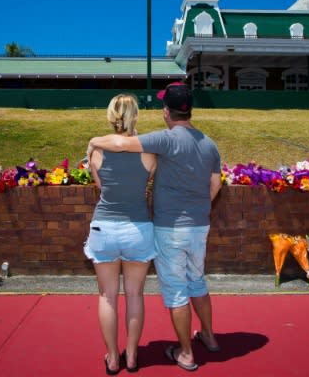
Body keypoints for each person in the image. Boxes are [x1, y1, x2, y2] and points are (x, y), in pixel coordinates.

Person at [87, 82, 222, 372]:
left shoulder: (160, 141)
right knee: (194, 282)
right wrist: (197, 207)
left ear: (166, 111)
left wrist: (94, 141)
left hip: (150, 227)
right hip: (191, 226)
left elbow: (117, 153)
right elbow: (215, 185)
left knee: (126, 295)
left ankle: (131, 357)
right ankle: (203, 338)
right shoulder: (206, 144)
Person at [84, 93, 157, 375]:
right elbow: (149, 181)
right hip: (138, 228)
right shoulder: (149, 150)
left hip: (104, 227)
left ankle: (113, 358)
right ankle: (132, 357)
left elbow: (100, 186)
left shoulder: (96, 150)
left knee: (107, 296)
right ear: (135, 115)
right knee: (135, 295)